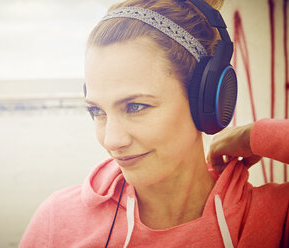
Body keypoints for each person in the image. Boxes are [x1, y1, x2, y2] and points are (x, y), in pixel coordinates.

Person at [19, 0, 289, 247]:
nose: (111, 141)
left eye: (135, 106)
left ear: (206, 102)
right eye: (97, 111)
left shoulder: (274, 218)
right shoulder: (56, 221)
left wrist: (256, 135)